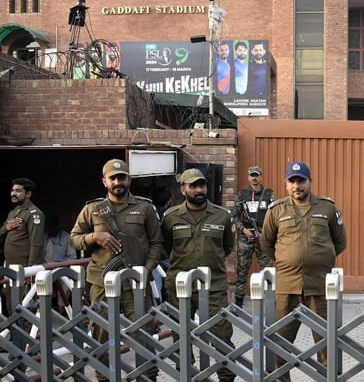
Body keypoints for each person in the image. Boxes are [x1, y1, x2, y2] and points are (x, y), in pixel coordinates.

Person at [69, 159, 163, 381]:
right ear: (105, 181)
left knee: (145, 333)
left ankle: (148, 376)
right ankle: (104, 378)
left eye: (122, 177)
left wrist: (146, 270)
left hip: (135, 283)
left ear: (129, 179)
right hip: (101, 281)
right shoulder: (92, 209)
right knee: (101, 333)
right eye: (113, 178)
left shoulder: (144, 207)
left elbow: (157, 243)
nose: (118, 182)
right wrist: (95, 237)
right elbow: (74, 239)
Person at [260, 161, 346, 382]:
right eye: (292, 181)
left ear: (310, 182)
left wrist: (318, 260)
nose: (296, 186)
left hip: (319, 286)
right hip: (286, 288)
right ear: (286, 184)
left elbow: (340, 242)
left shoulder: (327, 208)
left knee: (326, 345)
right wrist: (288, 260)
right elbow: (267, 243)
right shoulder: (276, 210)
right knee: (280, 344)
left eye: (301, 181)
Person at [161, 168, 236, 382]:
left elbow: (227, 247)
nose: (198, 189)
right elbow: (166, 247)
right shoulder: (170, 217)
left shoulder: (222, 215)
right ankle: (186, 375)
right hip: (179, 286)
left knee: (221, 334)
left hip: (213, 286)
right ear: (183, 189)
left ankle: (226, 376)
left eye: (201, 185)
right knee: (180, 337)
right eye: (192, 186)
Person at [0, 178, 46, 316]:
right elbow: (1, 232)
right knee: (10, 305)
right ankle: (14, 336)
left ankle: (25, 338)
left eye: (18, 191)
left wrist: (30, 272)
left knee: (24, 308)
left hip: (24, 270)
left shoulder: (34, 213)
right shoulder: (13, 213)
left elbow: (36, 244)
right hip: (10, 269)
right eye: (12, 190)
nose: (13, 194)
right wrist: (6, 228)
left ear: (28, 194)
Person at [232, 165, 275, 307]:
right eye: (252, 175)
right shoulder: (243, 194)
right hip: (246, 237)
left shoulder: (269, 194)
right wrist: (244, 230)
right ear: (248, 177)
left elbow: (275, 216)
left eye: (257, 175)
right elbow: (235, 216)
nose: (254, 178)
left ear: (261, 176)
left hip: (263, 236)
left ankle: (269, 304)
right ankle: (238, 304)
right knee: (242, 271)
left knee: (268, 271)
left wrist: (266, 233)